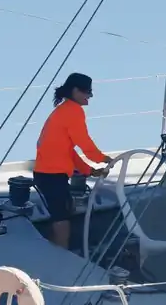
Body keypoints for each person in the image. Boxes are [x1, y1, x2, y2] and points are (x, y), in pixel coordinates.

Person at [33, 72, 112, 249]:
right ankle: (61, 254)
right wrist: (103, 158)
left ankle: (53, 250)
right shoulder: (73, 111)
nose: (90, 95)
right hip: (52, 175)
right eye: (88, 91)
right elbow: (84, 142)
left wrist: (89, 170)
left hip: (46, 174)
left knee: (61, 213)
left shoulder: (63, 110)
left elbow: (69, 152)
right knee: (61, 218)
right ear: (76, 91)